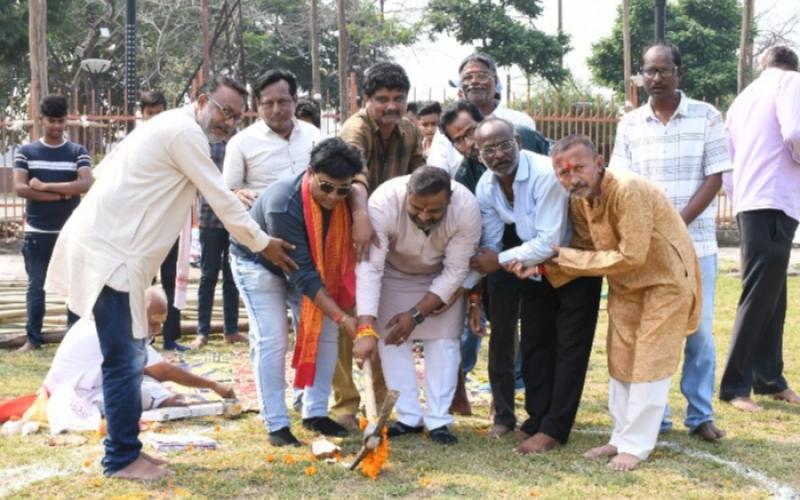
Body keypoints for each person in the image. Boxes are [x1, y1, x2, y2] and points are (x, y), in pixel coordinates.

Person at [45, 74, 297, 481]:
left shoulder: (168, 126)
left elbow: (107, 172)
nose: (227, 122)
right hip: (112, 254)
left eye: (235, 116)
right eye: (223, 111)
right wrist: (263, 242)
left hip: (114, 251)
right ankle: (122, 458)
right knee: (126, 360)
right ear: (201, 101)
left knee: (126, 356)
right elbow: (220, 198)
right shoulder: (184, 133)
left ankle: (127, 451)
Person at [517, 134, 700, 472]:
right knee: (621, 357)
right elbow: (586, 251)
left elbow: (632, 255)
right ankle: (621, 436)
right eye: (563, 172)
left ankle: (637, 445)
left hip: (665, 281)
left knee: (649, 358)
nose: (572, 178)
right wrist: (542, 267)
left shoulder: (626, 189)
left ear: (599, 163)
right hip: (626, 285)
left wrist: (561, 257)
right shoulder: (578, 199)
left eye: (579, 168)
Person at [609, 43, 730, 442]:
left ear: (679, 72)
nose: (655, 78)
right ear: (640, 76)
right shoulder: (630, 124)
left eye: (663, 70)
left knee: (699, 332)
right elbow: (620, 182)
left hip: (696, 245)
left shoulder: (707, 116)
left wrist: (673, 226)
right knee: (650, 333)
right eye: (649, 71)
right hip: (645, 249)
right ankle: (653, 417)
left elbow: (714, 177)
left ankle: (700, 415)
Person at [469, 119, 601, 451]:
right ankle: (536, 418)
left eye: (504, 145)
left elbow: (549, 241)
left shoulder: (544, 173)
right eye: (489, 150)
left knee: (569, 349)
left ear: (517, 141)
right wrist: (472, 277)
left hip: (574, 265)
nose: (498, 154)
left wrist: (496, 261)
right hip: (536, 270)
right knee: (534, 345)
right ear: (478, 154)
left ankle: (555, 429)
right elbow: (493, 242)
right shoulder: (486, 185)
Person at [230, 138, 364, 446]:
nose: (333, 197)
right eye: (326, 187)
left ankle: (314, 412)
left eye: (342, 190)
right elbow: (303, 275)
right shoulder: (282, 203)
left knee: (326, 331)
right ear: (310, 173)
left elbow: (358, 192)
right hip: (259, 264)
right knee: (273, 337)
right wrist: (345, 318)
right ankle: (276, 423)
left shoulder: (348, 197)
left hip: (310, 267)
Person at [354, 166, 481, 445]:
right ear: (406, 195)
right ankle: (409, 417)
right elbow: (370, 268)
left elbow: (456, 270)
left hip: (440, 279)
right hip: (392, 274)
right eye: (416, 208)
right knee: (391, 340)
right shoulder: (384, 201)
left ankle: (439, 421)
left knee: (445, 344)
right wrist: (365, 328)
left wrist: (416, 314)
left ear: (449, 199)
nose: (424, 216)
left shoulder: (466, 206)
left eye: (434, 211)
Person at [334, 61, 424, 430]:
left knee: (383, 313)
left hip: (389, 232)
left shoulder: (409, 131)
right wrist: (360, 217)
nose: (391, 106)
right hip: (349, 228)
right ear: (367, 100)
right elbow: (355, 177)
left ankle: (386, 402)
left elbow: (419, 177)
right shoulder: (354, 128)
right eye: (382, 99)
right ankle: (346, 404)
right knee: (348, 317)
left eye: (398, 99)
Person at [720, 46, 800, 411]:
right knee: (759, 292)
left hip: (751, 200)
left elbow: (727, 162)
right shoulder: (791, 82)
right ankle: (734, 386)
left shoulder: (742, 99)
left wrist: (738, 198)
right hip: (773, 197)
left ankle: (768, 378)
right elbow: (796, 131)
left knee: (773, 291)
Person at [43, 287, 235, 432]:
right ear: (136, 311)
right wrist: (213, 385)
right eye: (153, 323)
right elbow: (163, 371)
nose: (157, 330)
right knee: (135, 391)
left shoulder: (114, 318)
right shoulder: (120, 328)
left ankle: (158, 400)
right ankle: (158, 402)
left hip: (81, 387)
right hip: (75, 396)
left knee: (144, 382)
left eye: (161, 324)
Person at [13, 95, 92, 352]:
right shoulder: (26, 152)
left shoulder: (78, 152)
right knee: (36, 287)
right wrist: (61, 195)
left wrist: (45, 186)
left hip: (71, 232)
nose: (57, 126)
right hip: (37, 232)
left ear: (66, 120)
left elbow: (85, 184)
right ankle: (33, 339)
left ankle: (73, 340)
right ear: (41, 120)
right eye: (51, 121)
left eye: (60, 121)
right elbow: (20, 188)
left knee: (74, 287)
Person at [427, 53, 538, 176]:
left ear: (495, 81)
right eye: (467, 77)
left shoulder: (521, 122)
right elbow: (437, 172)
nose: (474, 81)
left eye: (482, 76)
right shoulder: (448, 127)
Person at [190, 137, 247, 350]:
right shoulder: (204, 144)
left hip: (235, 217)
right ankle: (202, 331)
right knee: (208, 276)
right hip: (210, 217)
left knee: (232, 276)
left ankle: (231, 330)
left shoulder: (241, 142)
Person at [138, 92, 185, 351]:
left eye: (159, 112)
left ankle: (171, 337)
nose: (154, 117)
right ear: (142, 115)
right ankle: (142, 337)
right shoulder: (133, 144)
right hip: (141, 225)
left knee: (170, 280)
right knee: (143, 281)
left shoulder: (175, 144)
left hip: (169, 223)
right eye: (149, 113)